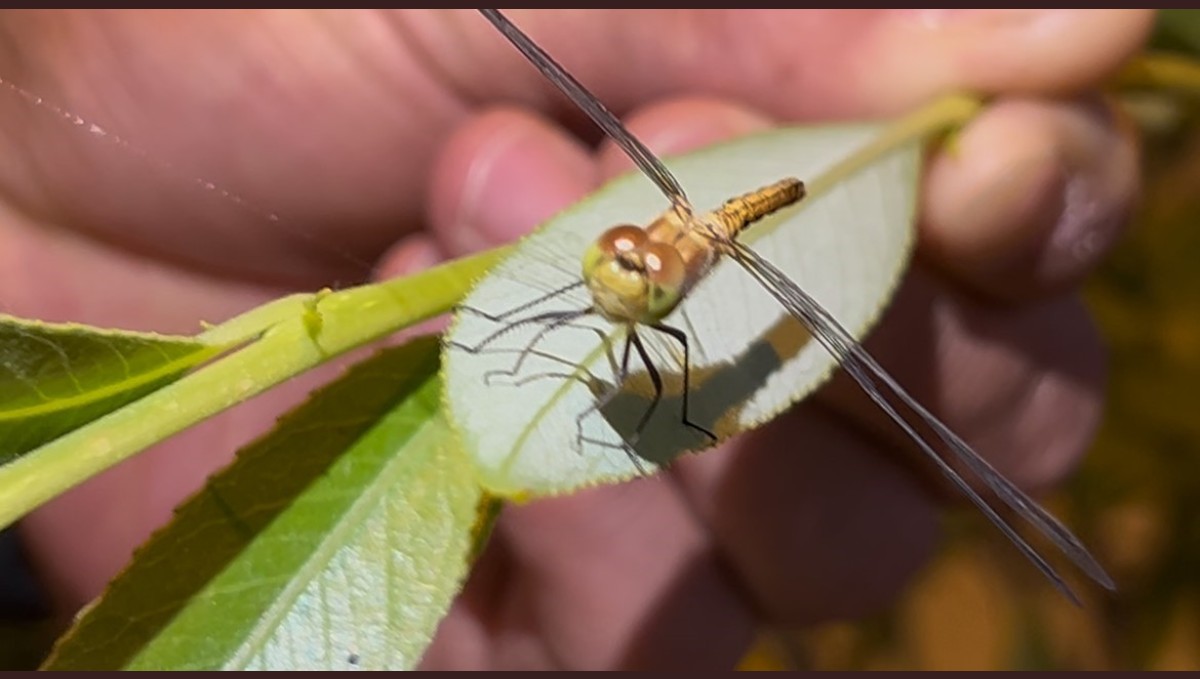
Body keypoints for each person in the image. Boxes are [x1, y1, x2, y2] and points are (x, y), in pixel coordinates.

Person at [0, 9, 1150, 670]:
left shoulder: (694, 273)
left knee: (708, 396)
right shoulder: (615, 263)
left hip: (780, 191)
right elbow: (590, 288)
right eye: (612, 263)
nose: (610, 279)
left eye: (632, 274)